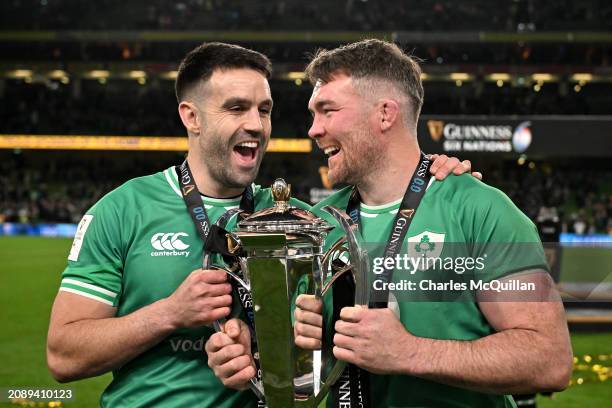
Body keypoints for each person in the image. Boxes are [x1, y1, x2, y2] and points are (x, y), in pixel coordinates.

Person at [46, 42, 473, 407]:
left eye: (264, 109)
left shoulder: (303, 219)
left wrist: (440, 181)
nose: (256, 124)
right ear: (192, 117)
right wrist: (170, 313)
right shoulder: (123, 210)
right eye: (236, 108)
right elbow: (64, 356)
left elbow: (319, 353)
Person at [206, 39, 573, 407]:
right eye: (313, 115)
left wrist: (409, 352)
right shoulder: (317, 225)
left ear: (385, 114)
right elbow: (299, 373)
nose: (314, 130)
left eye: (327, 110)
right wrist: (250, 355)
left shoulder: (479, 210)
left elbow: (549, 358)